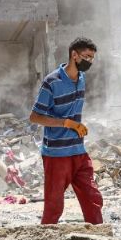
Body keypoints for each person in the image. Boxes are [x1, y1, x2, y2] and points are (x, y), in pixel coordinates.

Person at [29, 37, 104, 225]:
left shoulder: (82, 78)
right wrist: (67, 124)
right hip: (56, 155)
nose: (90, 62)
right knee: (54, 207)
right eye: (87, 57)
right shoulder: (52, 82)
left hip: (78, 151)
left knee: (93, 199)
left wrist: (77, 126)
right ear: (74, 55)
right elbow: (35, 117)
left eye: (92, 58)